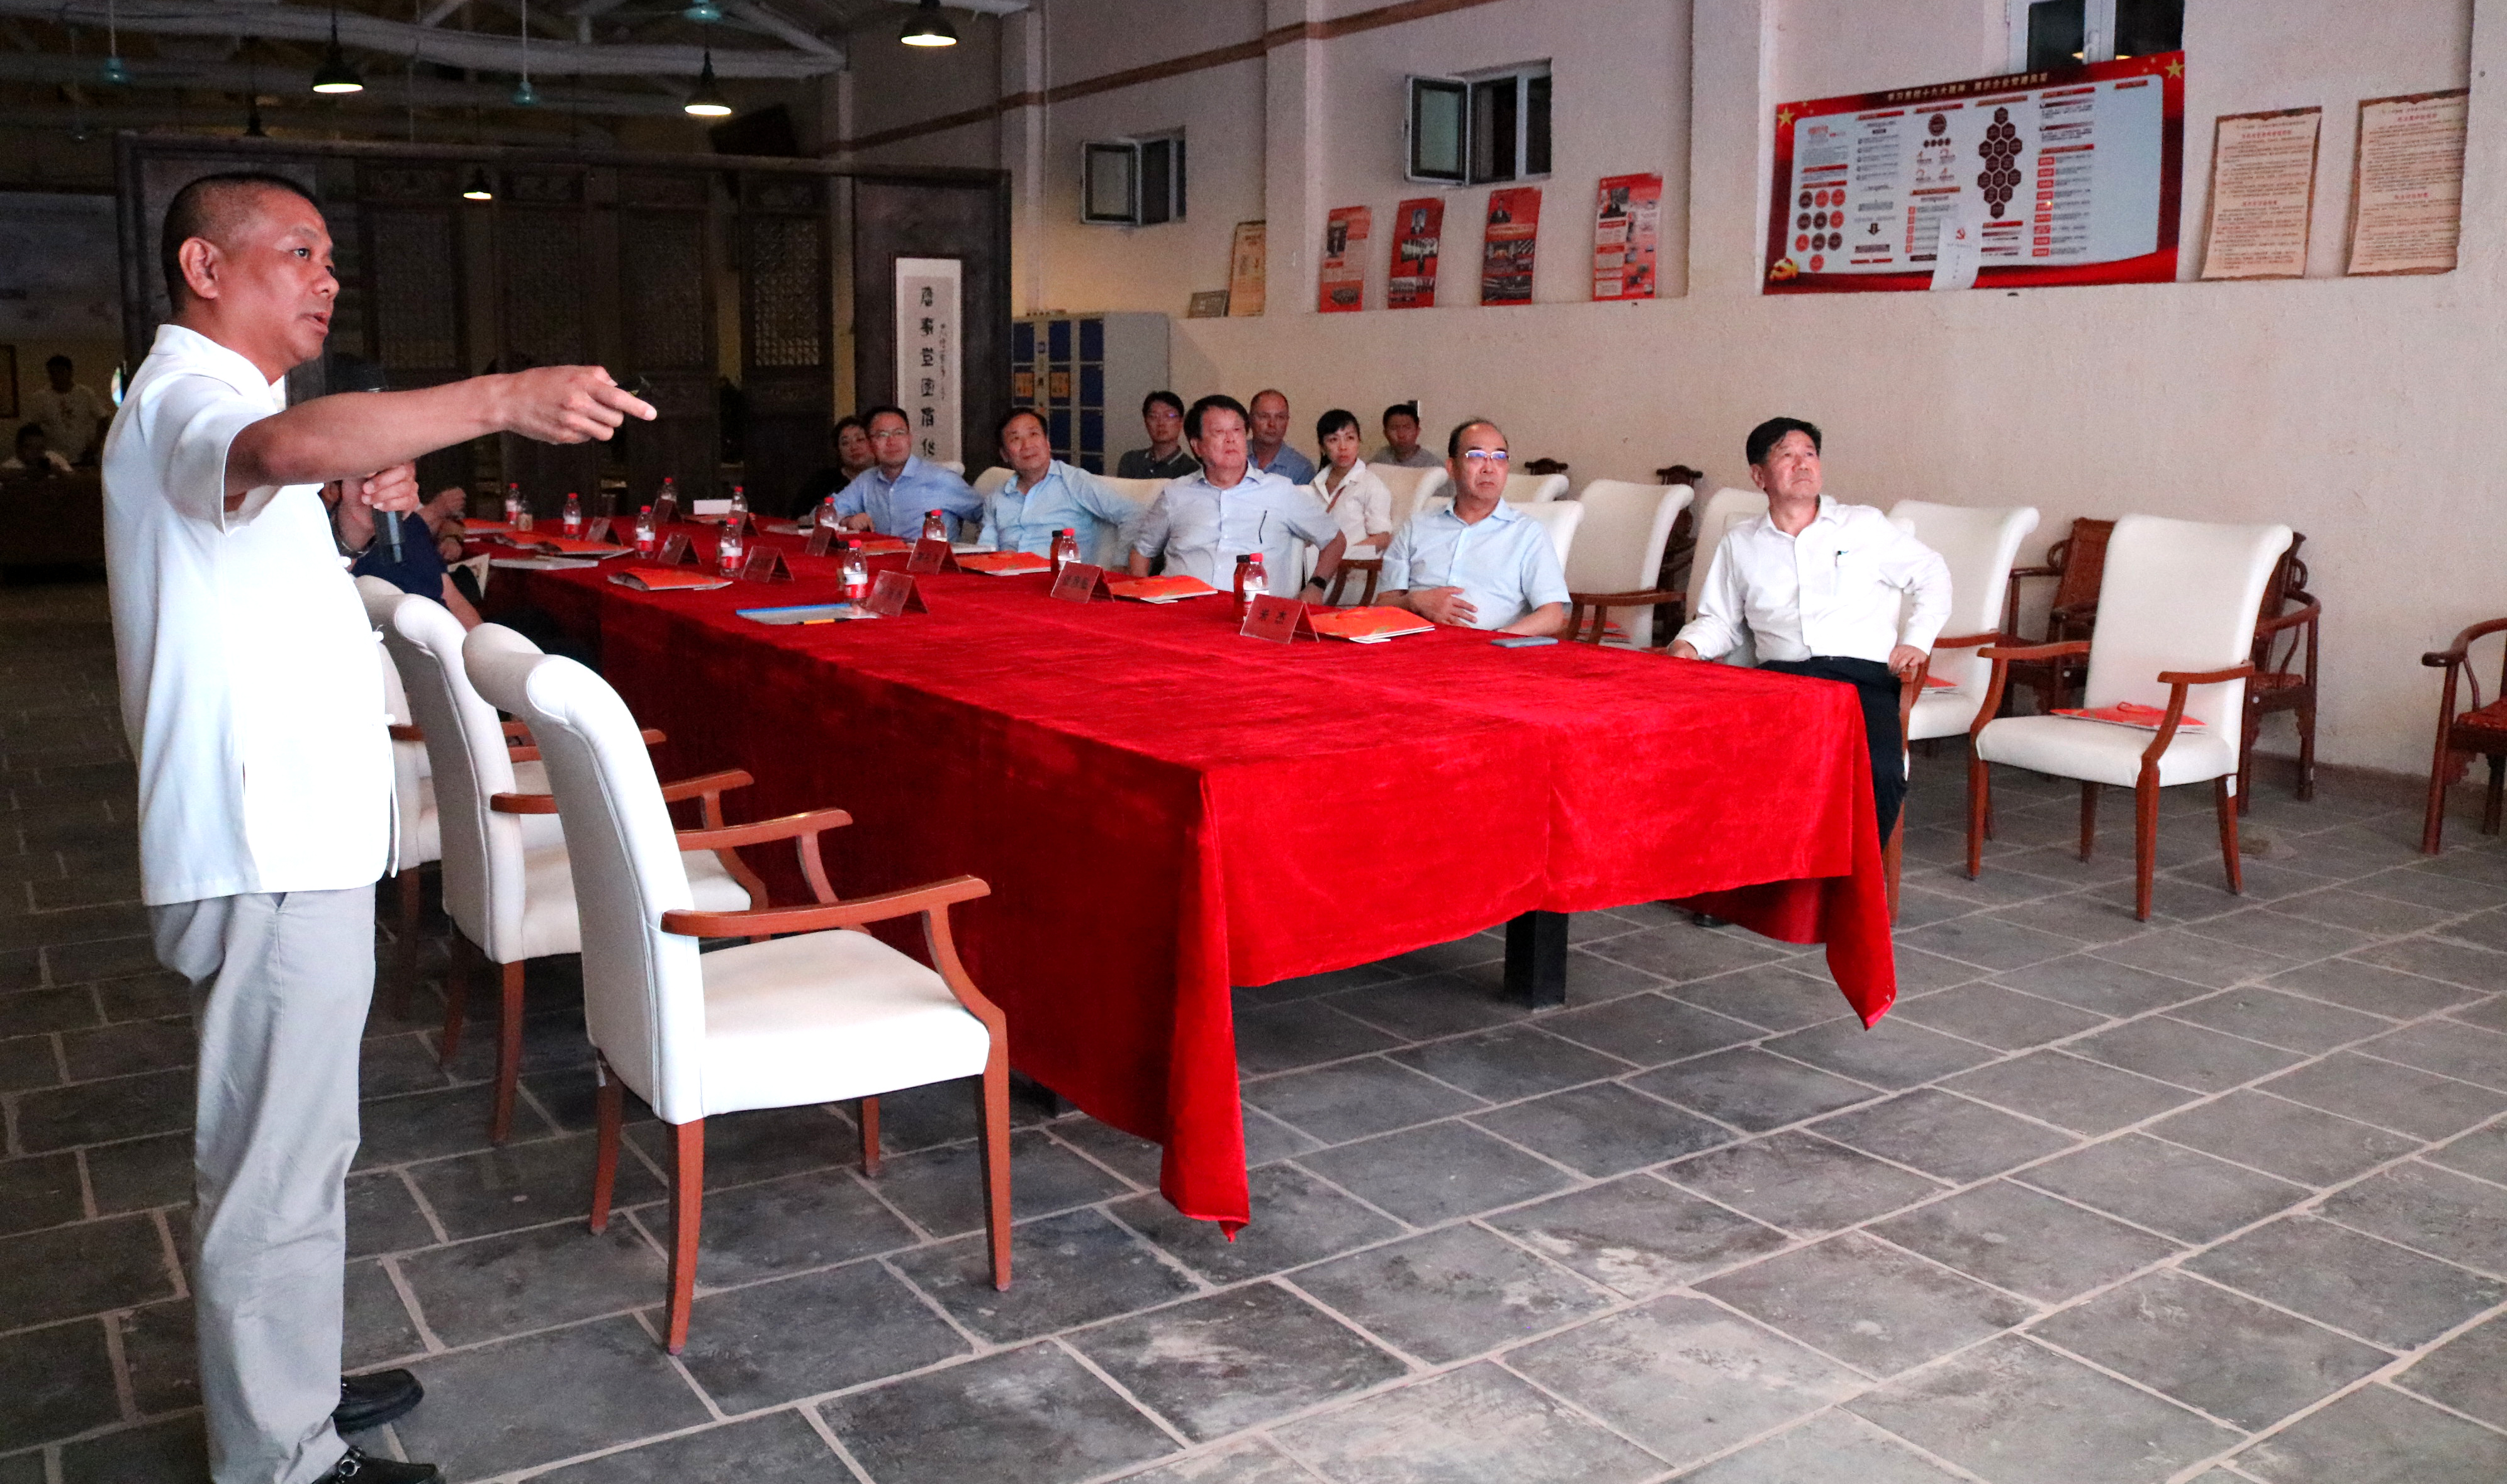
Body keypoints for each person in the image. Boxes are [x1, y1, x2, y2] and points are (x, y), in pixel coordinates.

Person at [104, 169, 656, 1484]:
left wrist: (347, 523)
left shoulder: (230, 407)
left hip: (293, 835)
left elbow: (266, 537)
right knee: (275, 1159)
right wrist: (501, 398)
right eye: (298, 252)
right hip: (267, 844)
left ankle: (287, 1387)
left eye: (329, 258)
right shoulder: (191, 396)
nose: (327, 278)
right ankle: (280, 1455)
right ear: (204, 268)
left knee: (304, 1143)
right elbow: (273, 453)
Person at [1670, 416, 1951, 842]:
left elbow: (1932, 574)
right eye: (1787, 455)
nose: (1803, 464)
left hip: (1860, 680)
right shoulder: (1741, 543)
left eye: (1810, 454)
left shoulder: (1862, 525)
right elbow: (1720, 620)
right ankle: (1764, 874)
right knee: (1735, 766)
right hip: (1780, 681)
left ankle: (1851, 878)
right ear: (1759, 476)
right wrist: (1688, 646)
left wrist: (1917, 640)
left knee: (1879, 770)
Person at [1131, 394, 1345, 593]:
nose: (1231, 439)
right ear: (1197, 446)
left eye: (1237, 430)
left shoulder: (1279, 491)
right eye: (1219, 432)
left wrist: (1316, 587)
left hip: (1253, 613)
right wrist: (1142, 599)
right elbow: (1141, 552)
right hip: (1180, 609)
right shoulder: (1175, 493)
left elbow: (1334, 540)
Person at [1377, 418, 1568, 635]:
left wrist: (1494, 640)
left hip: (1490, 648)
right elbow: (1382, 606)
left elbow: (1553, 616)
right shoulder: (1418, 526)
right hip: (1414, 645)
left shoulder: (1527, 533)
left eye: (1499, 457)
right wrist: (1414, 601)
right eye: (1476, 456)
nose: (1489, 468)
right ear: (1452, 468)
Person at [980, 406, 1144, 557]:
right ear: (1004, 454)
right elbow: (986, 551)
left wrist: (1122, 563)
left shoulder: (1076, 482)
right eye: (1015, 439)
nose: (1027, 445)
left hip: (1059, 577)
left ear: (1047, 443)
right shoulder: (996, 499)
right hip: (1008, 576)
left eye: (1034, 434)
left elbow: (1133, 513)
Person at [344, 479, 483, 628]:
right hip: (399, 633)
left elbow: (453, 599)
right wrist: (437, 509)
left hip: (444, 630)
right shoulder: (349, 540)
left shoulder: (414, 523)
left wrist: (481, 640)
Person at [831, 404, 982, 538]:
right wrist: (847, 521)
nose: (892, 442)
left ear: (910, 438)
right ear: (870, 444)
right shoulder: (866, 480)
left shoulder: (941, 479)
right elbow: (826, 513)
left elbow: (986, 514)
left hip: (931, 560)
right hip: (880, 559)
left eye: (899, 433)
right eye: (882, 435)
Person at [1307, 409, 1393, 553]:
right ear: (1322, 447)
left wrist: (1340, 556)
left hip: (1352, 565)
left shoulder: (1371, 485)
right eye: (1333, 440)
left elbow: (1382, 539)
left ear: (1359, 441)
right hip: (1313, 564)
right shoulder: (1315, 485)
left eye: (1350, 438)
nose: (1343, 447)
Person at [26, 354, 112, 465]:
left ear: (70, 372)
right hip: (54, 458)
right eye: (52, 373)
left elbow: (104, 418)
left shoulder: (85, 394)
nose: (57, 376)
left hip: (83, 456)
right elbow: (32, 428)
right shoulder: (41, 398)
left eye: (60, 372)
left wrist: (96, 444)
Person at [795, 414, 875, 515]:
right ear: (838, 451)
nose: (853, 447)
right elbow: (799, 515)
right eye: (845, 443)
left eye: (860, 440)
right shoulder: (823, 481)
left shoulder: (886, 478)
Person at [1115, 389, 1199, 481]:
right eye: (1153, 416)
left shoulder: (1191, 470)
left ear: (1181, 422)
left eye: (1169, 416)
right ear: (1146, 422)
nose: (1161, 423)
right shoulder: (1131, 461)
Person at [1246, 388, 1316, 484]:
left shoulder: (1301, 469)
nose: (1272, 424)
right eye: (1264, 416)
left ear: (1287, 421)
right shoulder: (1231, 456)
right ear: (1250, 419)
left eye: (1280, 417)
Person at [1371, 401, 1440, 469]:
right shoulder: (1380, 460)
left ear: (1417, 431)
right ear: (1385, 433)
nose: (1401, 435)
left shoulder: (1433, 465)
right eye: (1394, 428)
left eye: (1407, 428)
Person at [4, 421, 73, 476]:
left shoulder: (54, 459)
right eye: (30, 447)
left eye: (40, 448)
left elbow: (71, 476)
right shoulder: (9, 468)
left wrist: (59, 473)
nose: (36, 452)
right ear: (19, 449)